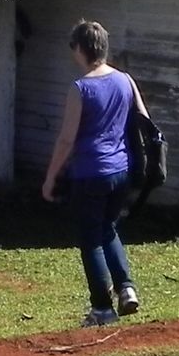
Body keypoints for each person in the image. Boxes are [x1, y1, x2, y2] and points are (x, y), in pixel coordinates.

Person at [41, 20, 148, 327]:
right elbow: (143, 119)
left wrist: (50, 177)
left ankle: (102, 307)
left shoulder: (81, 88)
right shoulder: (125, 80)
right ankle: (126, 288)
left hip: (90, 172)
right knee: (109, 229)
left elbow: (66, 139)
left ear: (80, 48)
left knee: (90, 239)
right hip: (121, 169)